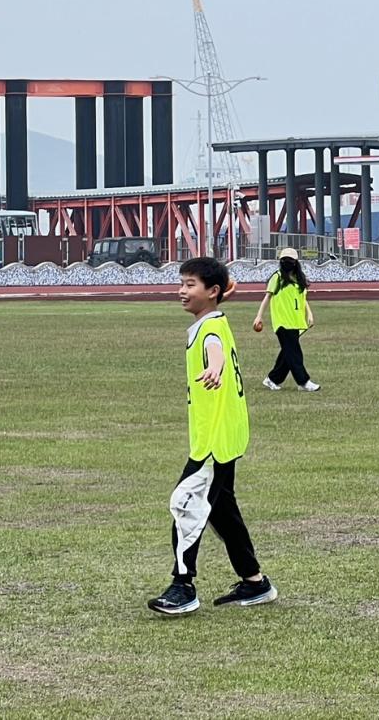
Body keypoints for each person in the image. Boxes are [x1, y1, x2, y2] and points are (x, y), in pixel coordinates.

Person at [147, 256, 277, 615]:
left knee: (185, 504)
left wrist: (215, 369)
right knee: (221, 510)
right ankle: (255, 582)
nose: (181, 291)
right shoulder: (213, 320)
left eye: (190, 285)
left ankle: (182, 586)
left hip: (214, 442)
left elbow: (214, 351)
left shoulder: (210, 330)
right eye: (181, 283)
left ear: (212, 291)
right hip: (224, 434)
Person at [253, 247, 320, 392]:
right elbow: (267, 297)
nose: (287, 262)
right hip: (282, 322)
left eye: (290, 260)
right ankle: (303, 381)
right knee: (295, 353)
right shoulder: (277, 277)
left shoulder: (298, 279)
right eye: (284, 260)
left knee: (287, 353)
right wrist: (259, 316)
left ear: (295, 262)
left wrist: (309, 314)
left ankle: (272, 379)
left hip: (295, 321)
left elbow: (303, 299)